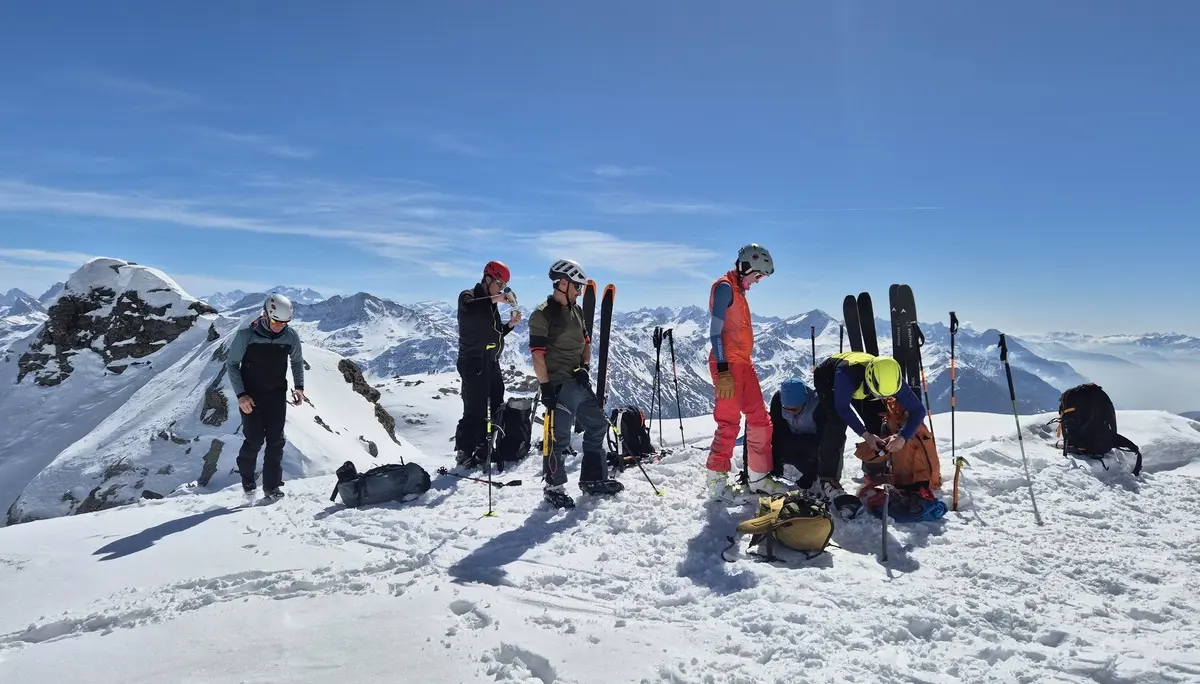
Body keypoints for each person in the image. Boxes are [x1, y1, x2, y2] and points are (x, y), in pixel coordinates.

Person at [529, 258, 623, 509]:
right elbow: (538, 355)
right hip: (558, 384)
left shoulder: (577, 310)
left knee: (597, 425)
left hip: (577, 382)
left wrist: (585, 367)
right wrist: (546, 388)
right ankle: (554, 487)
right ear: (562, 283)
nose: (580, 292)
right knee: (557, 438)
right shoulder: (542, 315)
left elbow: (586, 343)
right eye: (577, 287)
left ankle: (592, 478)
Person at [706, 243, 776, 499]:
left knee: (760, 418)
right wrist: (723, 369)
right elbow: (715, 333)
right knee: (729, 423)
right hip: (727, 364)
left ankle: (758, 478)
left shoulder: (739, 290)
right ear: (747, 266)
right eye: (757, 275)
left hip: (744, 363)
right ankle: (717, 484)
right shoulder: (725, 288)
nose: (758, 281)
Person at [811, 351, 927, 503]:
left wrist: (902, 436)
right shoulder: (845, 375)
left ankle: (873, 471)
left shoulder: (892, 379)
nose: (881, 398)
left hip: (863, 385)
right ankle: (828, 479)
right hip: (828, 380)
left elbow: (918, 410)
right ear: (869, 379)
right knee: (836, 423)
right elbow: (843, 409)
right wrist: (866, 435)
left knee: (877, 419)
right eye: (878, 394)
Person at [226, 293, 306, 500]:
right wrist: (241, 395)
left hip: (277, 395)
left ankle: (271, 488)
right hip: (251, 397)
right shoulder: (246, 335)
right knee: (254, 441)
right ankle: (248, 482)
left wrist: (299, 387)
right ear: (265, 314)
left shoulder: (291, 336)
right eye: (275, 321)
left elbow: (297, 362)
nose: (280, 326)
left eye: (284, 322)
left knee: (276, 441)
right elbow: (232, 365)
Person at [454, 260, 522, 468]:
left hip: (490, 361)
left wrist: (510, 325)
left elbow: (494, 333)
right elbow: (470, 307)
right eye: (499, 284)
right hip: (473, 362)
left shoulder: (490, 305)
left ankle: (485, 447)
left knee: (496, 403)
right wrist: (498, 298)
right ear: (488, 278)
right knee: (474, 407)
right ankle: (465, 452)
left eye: (503, 286)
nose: (501, 289)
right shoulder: (469, 296)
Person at [767, 377, 829, 491]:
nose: (790, 412)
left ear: (804, 400)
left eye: (794, 409)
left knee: (806, 454)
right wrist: (775, 458)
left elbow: (825, 442)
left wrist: (810, 474)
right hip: (791, 439)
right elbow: (776, 428)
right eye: (786, 408)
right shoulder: (778, 400)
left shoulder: (817, 407)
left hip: (811, 445)